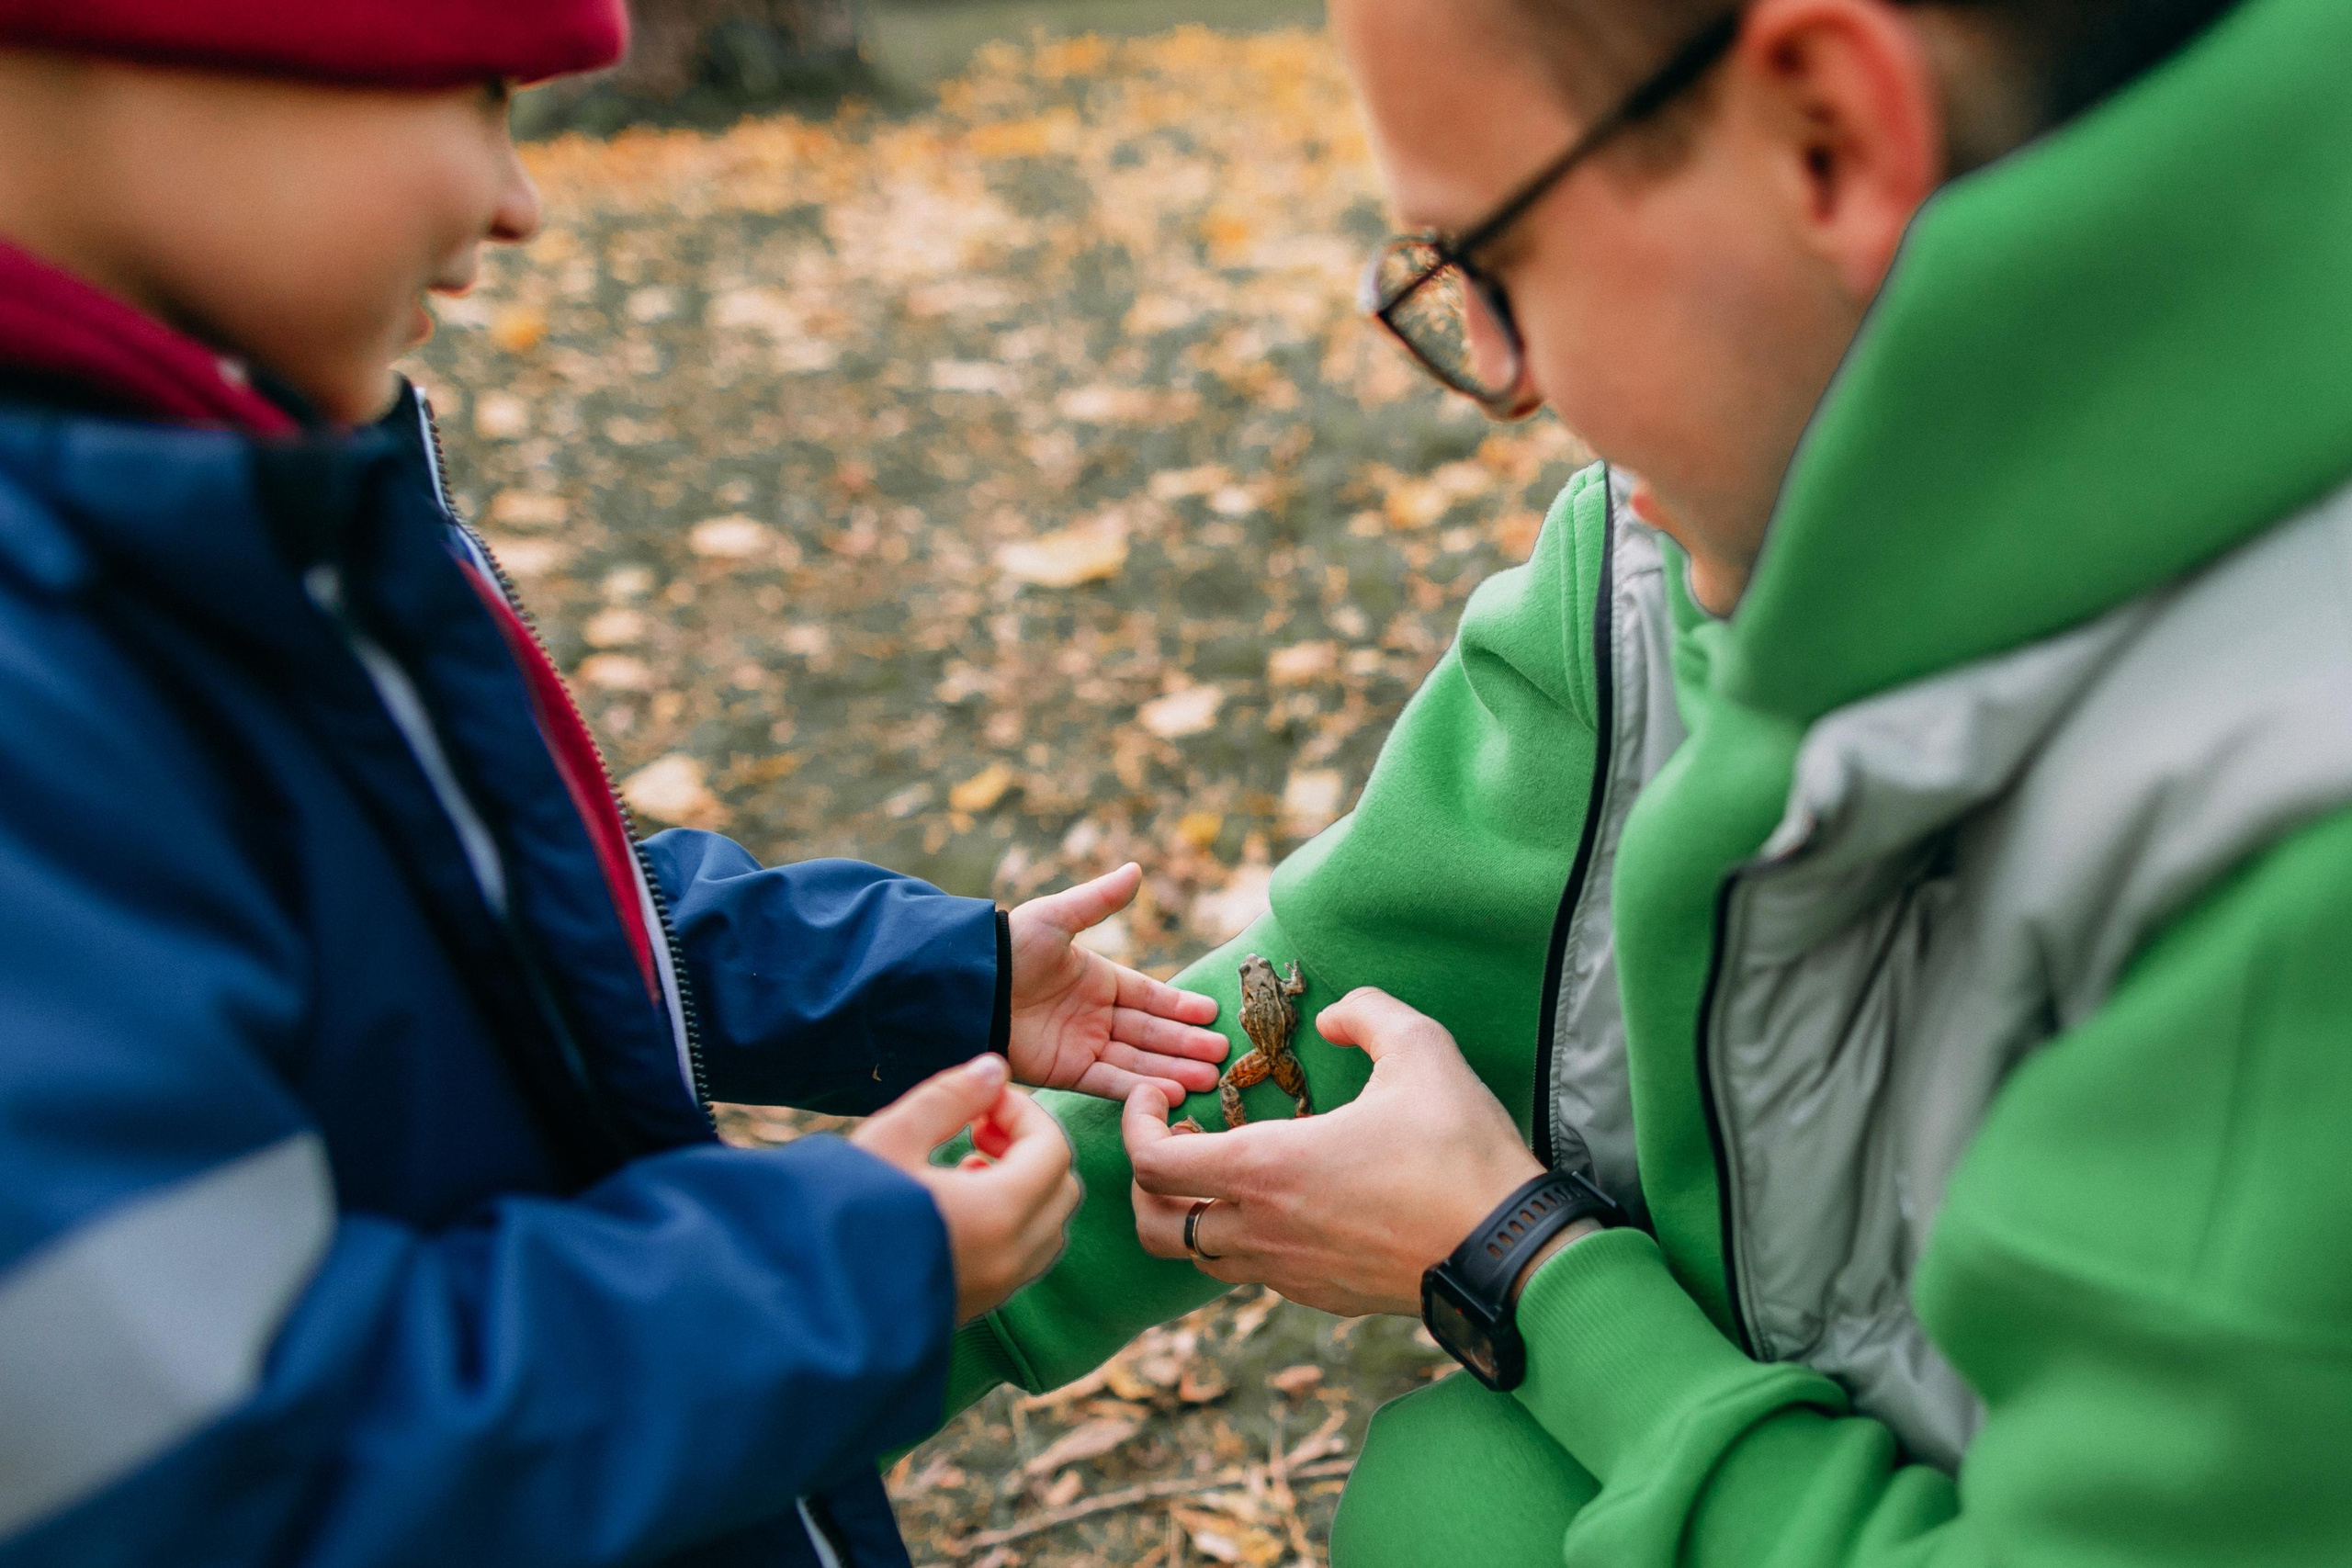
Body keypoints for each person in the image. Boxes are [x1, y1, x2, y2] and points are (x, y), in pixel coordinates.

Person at [928, 0, 2352, 1563]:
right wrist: (830, 1299)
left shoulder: (2293, 865)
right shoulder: (1662, 572)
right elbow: (1302, 1007)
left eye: (1497, 257)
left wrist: (1524, 1273)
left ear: (1829, 134)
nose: (1500, 377)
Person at [0, 6, 1233, 1565]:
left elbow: (488, 924)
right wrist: (830, 1272)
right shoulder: (64, 665)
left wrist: (944, 980)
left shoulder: (235, 494)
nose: (518, 198)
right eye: (480, 96)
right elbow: (218, 1459)